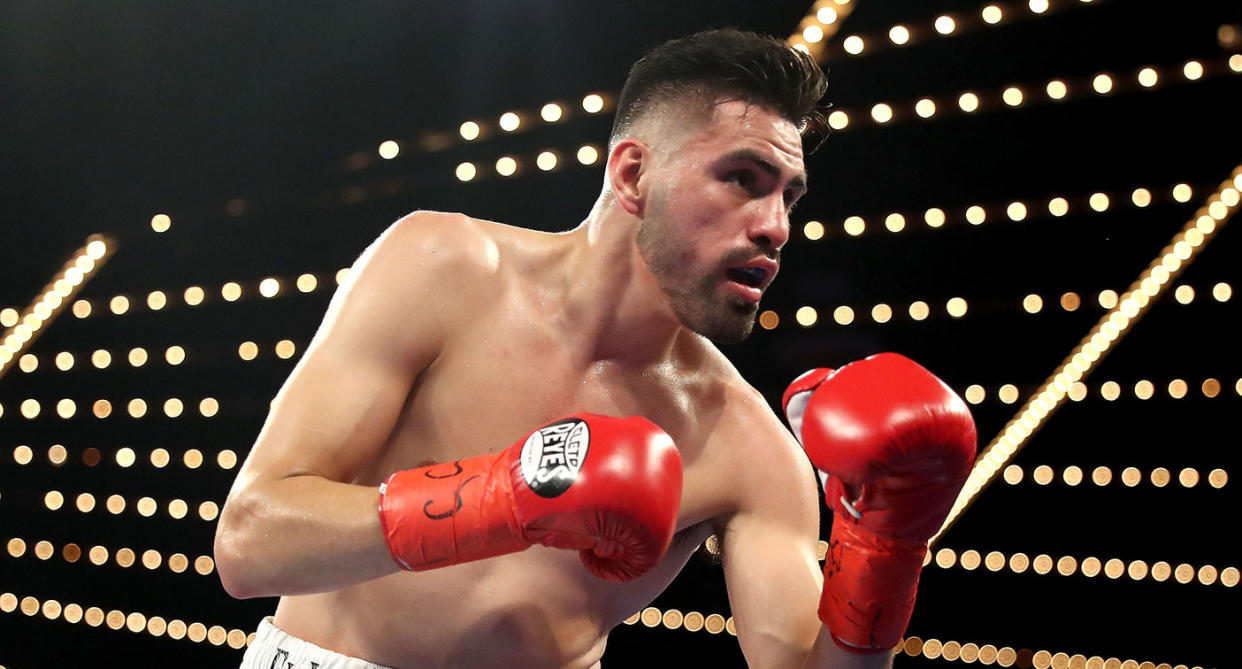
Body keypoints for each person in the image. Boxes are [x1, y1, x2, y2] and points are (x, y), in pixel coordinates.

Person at [214, 28, 976, 669]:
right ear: (634, 173)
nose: (775, 224)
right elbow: (250, 545)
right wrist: (498, 499)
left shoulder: (746, 445)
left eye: (790, 195)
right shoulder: (442, 267)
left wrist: (885, 545)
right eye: (744, 178)